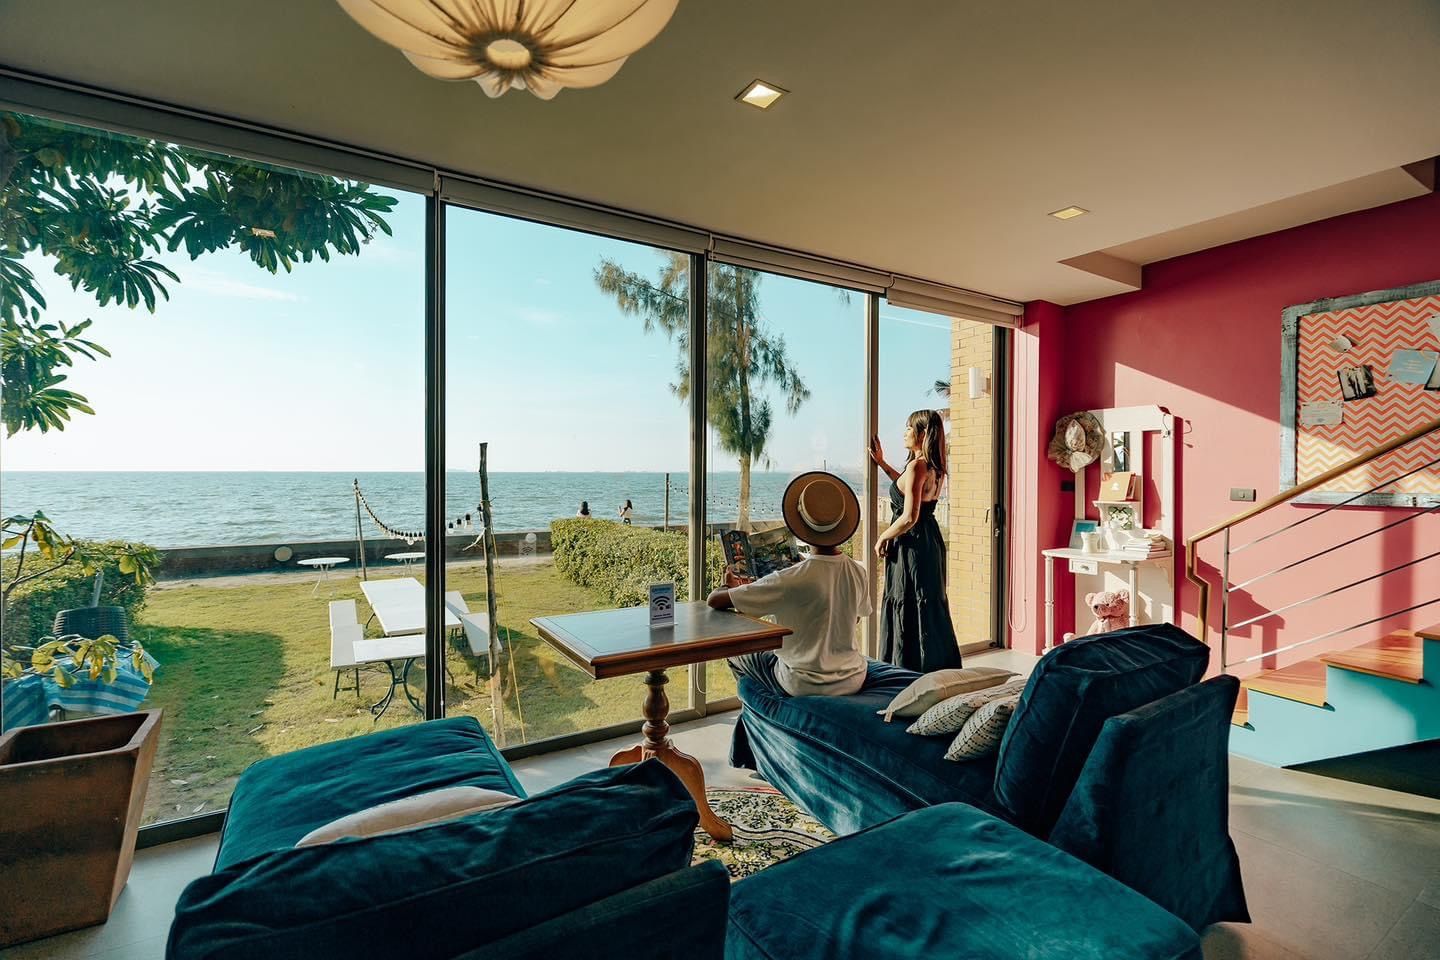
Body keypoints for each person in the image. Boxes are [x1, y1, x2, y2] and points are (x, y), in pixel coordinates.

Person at [708, 471, 870, 698]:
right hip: (854, 677)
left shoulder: (789, 579)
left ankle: (764, 711)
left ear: (800, 525)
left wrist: (728, 586)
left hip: (803, 682)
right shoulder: (858, 571)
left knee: (735, 654)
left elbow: (714, 600)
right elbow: (854, 618)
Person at [870, 409, 961, 672]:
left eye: (909, 428)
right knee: (927, 603)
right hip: (929, 541)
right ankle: (934, 670)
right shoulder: (935, 467)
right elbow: (906, 487)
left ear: (921, 434)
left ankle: (901, 671)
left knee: (906, 601)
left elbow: (909, 516)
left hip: (911, 543)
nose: (904, 432)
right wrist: (883, 463)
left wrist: (883, 536)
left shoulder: (917, 466)